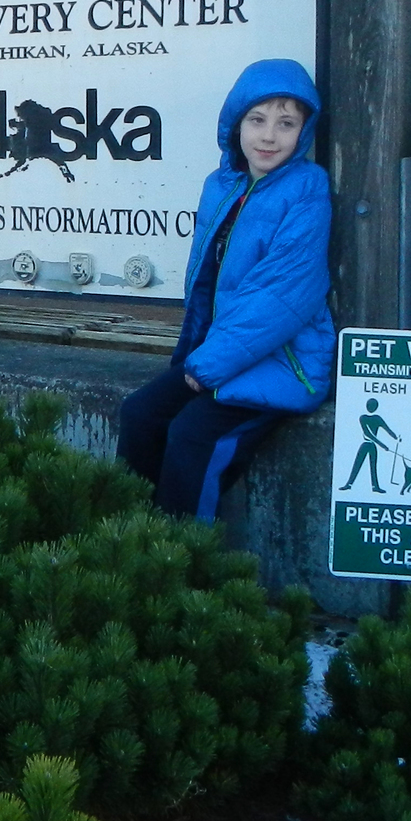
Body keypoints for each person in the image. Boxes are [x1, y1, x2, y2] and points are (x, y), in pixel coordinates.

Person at [117, 58, 335, 521]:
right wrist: (197, 356)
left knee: (193, 435)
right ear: (236, 123)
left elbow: (279, 296)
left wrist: (206, 366)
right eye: (257, 120)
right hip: (222, 355)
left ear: (304, 131)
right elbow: (206, 283)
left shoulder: (305, 190)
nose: (269, 136)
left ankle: (180, 560)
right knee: (140, 415)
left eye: (286, 123)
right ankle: (131, 541)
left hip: (282, 362)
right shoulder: (220, 187)